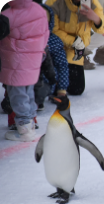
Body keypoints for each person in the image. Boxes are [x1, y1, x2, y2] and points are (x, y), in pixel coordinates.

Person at [0, 0, 49, 141]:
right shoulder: (39, 10)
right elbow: (46, 33)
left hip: (16, 62)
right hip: (34, 59)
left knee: (17, 94)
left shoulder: (8, 15)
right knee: (28, 91)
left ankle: (24, 128)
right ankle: (30, 121)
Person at [45, 0, 104, 95]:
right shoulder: (54, 3)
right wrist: (75, 42)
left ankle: (84, 56)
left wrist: (96, 19)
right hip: (56, 48)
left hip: (76, 50)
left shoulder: (92, 3)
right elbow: (53, 30)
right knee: (53, 88)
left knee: (76, 89)